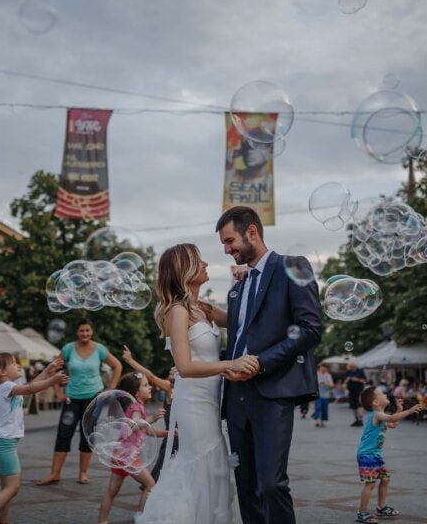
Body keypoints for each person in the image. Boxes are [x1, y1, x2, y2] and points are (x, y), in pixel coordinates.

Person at [217, 206, 323, 524]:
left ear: (252, 231)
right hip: (235, 399)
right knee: (246, 487)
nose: (227, 249)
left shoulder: (291, 266)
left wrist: (260, 363)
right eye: (224, 244)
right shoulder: (237, 290)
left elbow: (310, 328)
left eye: (230, 240)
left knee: (272, 483)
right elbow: (236, 343)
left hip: (272, 392)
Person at [136, 243, 252, 524]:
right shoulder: (177, 310)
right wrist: (230, 364)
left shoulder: (203, 308)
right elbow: (185, 367)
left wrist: (242, 282)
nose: (206, 265)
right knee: (199, 467)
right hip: (192, 404)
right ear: (184, 270)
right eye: (199, 261)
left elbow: (242, 318)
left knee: (212, 467)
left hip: (210, 404)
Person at [0, 353, 68, 524]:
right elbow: (30, 389)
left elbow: (30, 386)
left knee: (7, 488)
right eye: (14, 364)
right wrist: (53, 380)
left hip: (5, 444)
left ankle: (2, 521)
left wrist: (47, 370)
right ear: (2, 372)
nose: (19, 366)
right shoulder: (4, 387)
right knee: (13, 488)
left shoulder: (9, 386)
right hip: (4, 445)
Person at [36, 318, 122, 486]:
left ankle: (83, 473)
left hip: (93, 398)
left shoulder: (99, 349)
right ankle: (55, 473)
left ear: (92, 332)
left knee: (87, 435)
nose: (85, 333)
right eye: (81, 330)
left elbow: (117, 366)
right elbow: (54, 368)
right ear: (77, 332)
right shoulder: (68, 349)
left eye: (87, 330)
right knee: (63, 433)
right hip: (72, 398)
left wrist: (109, 390)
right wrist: (58, 391)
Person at [98, 373, 168, 524]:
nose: (149, 388)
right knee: (150, 485)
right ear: (136, 392)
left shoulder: (135, 406)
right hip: (128, 456)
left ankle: (102, 521)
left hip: (120, 453)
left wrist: (168, 434)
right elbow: (132, 426)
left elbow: (147, 430)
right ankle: (142, 520)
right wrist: (152, 418)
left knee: (112, 491)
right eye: (145, 385)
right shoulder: (136, 408)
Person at [355, 386, 424, 524]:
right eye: (382, 393)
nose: (386, 394)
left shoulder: (381, 415)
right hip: (367, 455)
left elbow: (393, 423)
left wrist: (399, 410)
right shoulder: (376, 414)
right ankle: (362, 513)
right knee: (370, 484)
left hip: (375, 455)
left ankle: (381, 508)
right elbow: (392, 418)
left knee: (385, 479)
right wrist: (408, 411)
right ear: (375, 402)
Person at [121, 345, 174, 482]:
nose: (171, 369)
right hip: (173, 441)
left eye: (175, 368)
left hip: (178, 438)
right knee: (156, 482)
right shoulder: (171, 388)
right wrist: (130, 360)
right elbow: (150, 376)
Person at [345, 362, 368, 427]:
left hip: (359, 391)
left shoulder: (360, 371)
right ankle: (357, 420)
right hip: (351, 391)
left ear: (355, 366)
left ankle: (360, 420)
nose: (351, 368)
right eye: (350, 367)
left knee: (359, 405)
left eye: (352, 366)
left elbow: (364, 381)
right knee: (353, 406)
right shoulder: (348, 372)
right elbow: (345, 381)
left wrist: (357, 379)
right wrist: (347, 380)